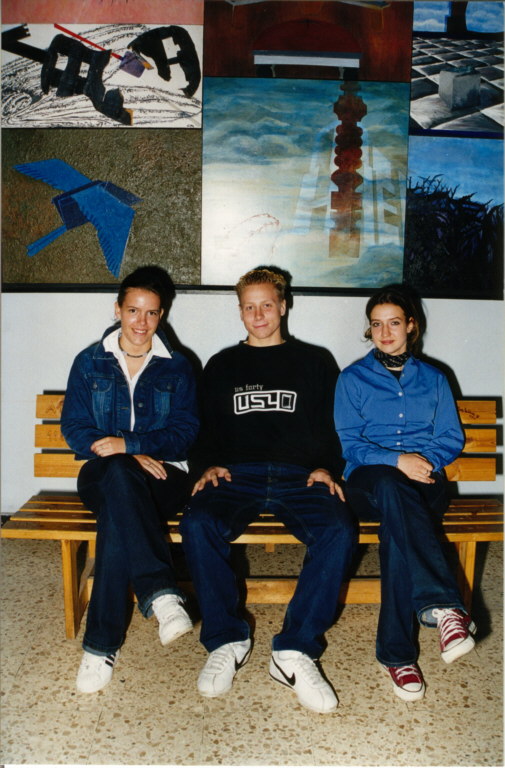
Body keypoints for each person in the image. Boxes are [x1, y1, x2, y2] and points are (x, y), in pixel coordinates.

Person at [180, 267, 355, 715]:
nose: (258, 315)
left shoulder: (316, 362)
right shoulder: (221, 365)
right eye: (249, 307)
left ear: (283, 305)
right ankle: (227, 640)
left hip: (301, 476)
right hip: (237, 475)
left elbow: (335, 427)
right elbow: (202, 429)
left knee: (337, 528)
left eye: (267, 305)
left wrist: (327, 468)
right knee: (197, 523)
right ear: (240, 311)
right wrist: (205, 466)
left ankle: (294, 651)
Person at [334, 284, 476, 703]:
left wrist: (423, 462)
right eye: (376, 324)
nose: (384, 332)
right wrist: (397, 461)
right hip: (369, 482)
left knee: (399, 529)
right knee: (390, 486)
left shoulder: (434, 378)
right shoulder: (352, 378)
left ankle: (397, 655)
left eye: (394, 323)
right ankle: (444, 608)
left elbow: (450, 437)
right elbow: (349, 444)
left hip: (424, 481)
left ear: (411, 326)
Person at [61, 266, 199, 694]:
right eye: (134, 310)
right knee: (120, 476)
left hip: (164, 477)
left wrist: (131, 445)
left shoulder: (178, 366)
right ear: (117, 309)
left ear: (162, 315)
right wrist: (128, 452)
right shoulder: (89, 362)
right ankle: (161, 594)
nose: (142, 321)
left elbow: (185, 434)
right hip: (103, 473)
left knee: (118, 515)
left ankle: (99, 647)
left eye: (152, 312)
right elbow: (75, 428)